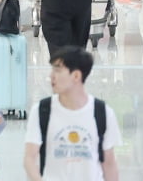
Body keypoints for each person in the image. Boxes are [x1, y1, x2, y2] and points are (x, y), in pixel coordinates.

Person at [25, 47, 122, 181]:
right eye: (52, 70)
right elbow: (30, 158)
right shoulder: (42, 110)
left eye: (58, 70)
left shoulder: (103, 112)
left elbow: (109, 163)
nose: (51, 76)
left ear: (76, 76)